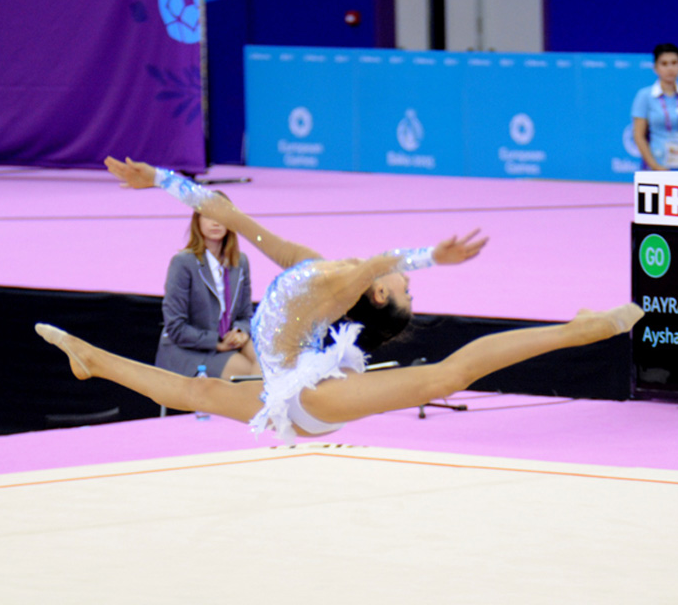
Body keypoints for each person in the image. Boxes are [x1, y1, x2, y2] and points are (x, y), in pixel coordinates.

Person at [36, 158, 644, 442]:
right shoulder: (310, 264)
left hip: (306, 399)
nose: (404, 282)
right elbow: (230, 215)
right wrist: (160, 181)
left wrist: (431, 257)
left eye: (404, 287)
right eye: (410, 285)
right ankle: (92, 360)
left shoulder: (345, 280)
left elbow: (380, 261)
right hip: (286, 391)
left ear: (376, 294)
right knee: (194, 392)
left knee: (448, 376)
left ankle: (580, 328)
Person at [155, 195, 261, 380]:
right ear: (197, 220)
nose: (216, 223)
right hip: (191, 350)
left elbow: (246, 314)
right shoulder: (183, 263)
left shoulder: (240, 262)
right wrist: (216, 343)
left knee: (268, 362)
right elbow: (176, 327)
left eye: (221, 216)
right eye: (209, 216)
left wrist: (240, 332)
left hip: (227, 342)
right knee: (248, 374)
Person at [631, 43, 678, 171]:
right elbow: (639, 135)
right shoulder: (645, 96)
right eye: (664, 64)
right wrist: (655, 166)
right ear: (655, 68)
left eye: (674, 63)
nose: (670, 68)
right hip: (656, 166)